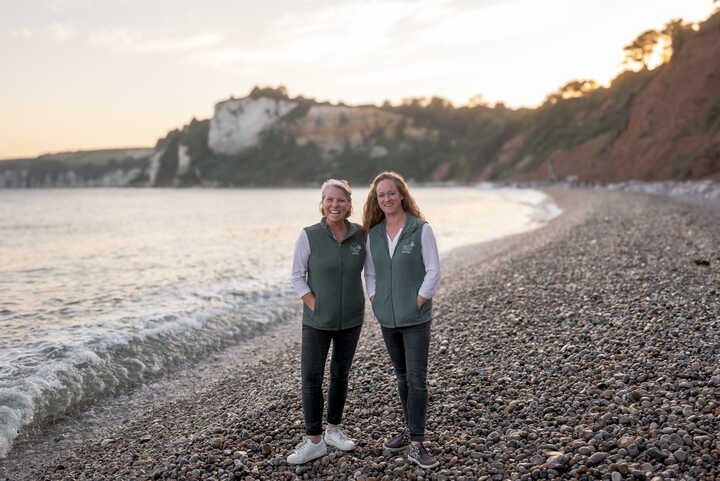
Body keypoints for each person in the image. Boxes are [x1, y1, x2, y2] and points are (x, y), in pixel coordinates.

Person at [362, 171, 441, 469]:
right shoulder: (374, 234)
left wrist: (419, 299)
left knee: (418, 379)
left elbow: (433, 270)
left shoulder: (421, 229)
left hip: (416, 317)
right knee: (402, 377)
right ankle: (409, 431)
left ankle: (418, 444)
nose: (387, 198)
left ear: (402, 195)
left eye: (391, 193)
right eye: (381, 195)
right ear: (377, 200)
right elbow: (370, 274)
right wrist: (374, 300)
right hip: (388, 318)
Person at [287, 179, 366, 465]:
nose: (335, 205)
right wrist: (314, 303)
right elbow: (297, 276)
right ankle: (313, 440)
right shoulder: (308, 235)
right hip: (316, 321)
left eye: (340, 200)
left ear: (348, 204)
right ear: (322, 203)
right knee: (310, 377)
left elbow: (370, 272)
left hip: (351, 319)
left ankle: (333, 430)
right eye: (330, 200)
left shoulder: (360, 234)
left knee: (340, 374)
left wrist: (373, 297)